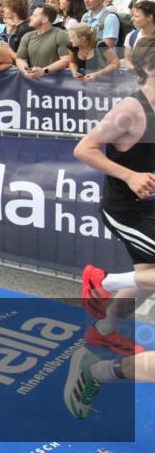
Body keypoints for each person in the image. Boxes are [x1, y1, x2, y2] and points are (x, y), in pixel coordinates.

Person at [64, 35, 155, 419]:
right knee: (147, 275)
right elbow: (83, 149)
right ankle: (102, 281)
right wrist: (130, 175)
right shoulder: (131, 110)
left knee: (147, 278)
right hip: (127, 208)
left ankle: (104, 330)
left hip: (150, 204)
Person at [15, 4, 70, 78]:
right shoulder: (27, 36)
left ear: (45, 19)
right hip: (34, 83)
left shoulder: (61, 35)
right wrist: (26, 71)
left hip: (57, 84)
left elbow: (66, 60)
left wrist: (44, 71)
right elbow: (20, 59)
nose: (30, 18)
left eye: (34, 16)